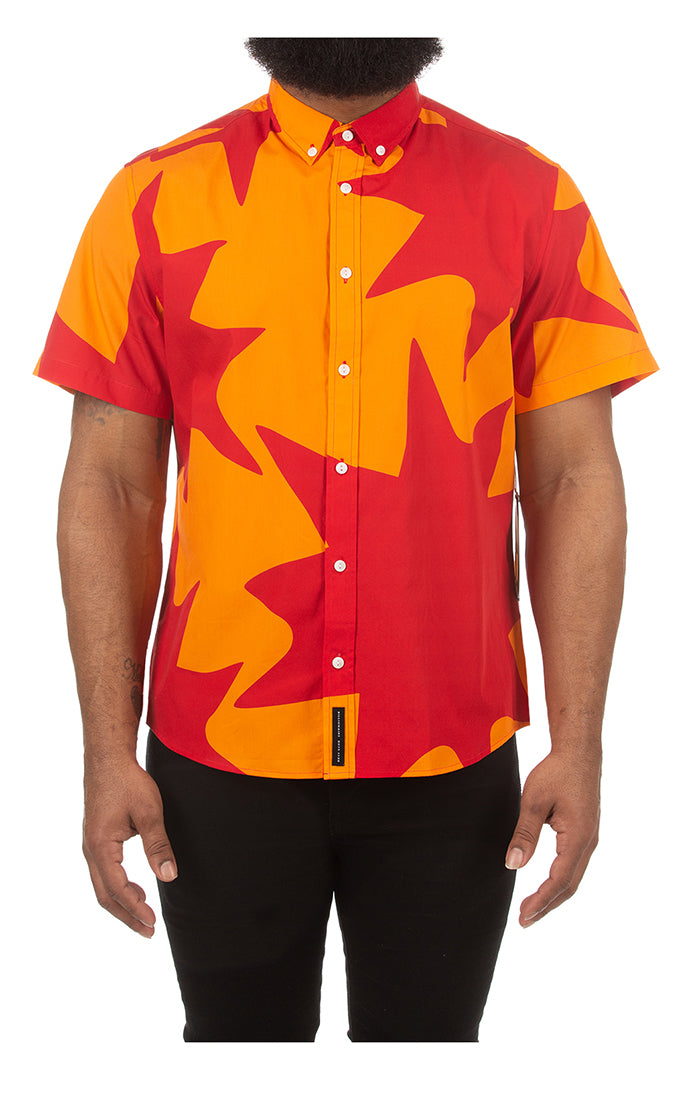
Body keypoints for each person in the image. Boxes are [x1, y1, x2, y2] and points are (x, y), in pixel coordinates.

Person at [33, 37, 659, 1042]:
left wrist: (578, 744)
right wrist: (106, 750)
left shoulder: (530, 197)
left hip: (452, 754)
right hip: (217, 753)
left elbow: (572, 478)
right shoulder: (154, 198)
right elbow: (109, 484)